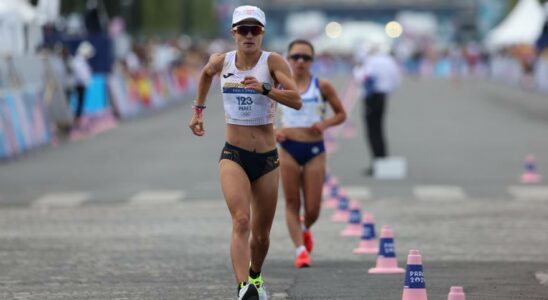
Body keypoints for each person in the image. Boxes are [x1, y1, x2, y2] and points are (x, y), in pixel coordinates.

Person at [188, 5, 301, 300]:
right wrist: (198, 110)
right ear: (233, 33)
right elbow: (205, 75)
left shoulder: (272, 62)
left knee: (261, 236)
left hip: (266, 159)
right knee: (241, 220)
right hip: (234, 154)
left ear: (262, 33)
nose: (249, 35)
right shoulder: (221, 61)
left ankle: (255, 276)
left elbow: (297, 99)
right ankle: (244, 289)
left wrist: (265, 89)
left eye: (255, 30)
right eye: (243, 30)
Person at [277, 39, 346, 268]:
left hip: (314, 149)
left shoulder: (322, 86)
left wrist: (324, 125)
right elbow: (260, 115)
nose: (300, 61)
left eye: (305, 57)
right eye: (296, 56)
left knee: (313, 207)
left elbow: (341, 114)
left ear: (312, 61)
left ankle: (305, 228)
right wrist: (273, 131)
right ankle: (300, 250)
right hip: (288, 148)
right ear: (288, 59)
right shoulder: (278, 85)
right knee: (292, 202)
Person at [353, 47, 401, 176]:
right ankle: (382, 161)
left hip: (371, 96)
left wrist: (357, 68)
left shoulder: (370, 61)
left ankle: (377, 162)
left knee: (372, 131)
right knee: (379, 129)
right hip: (382, 96)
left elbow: (363, 77)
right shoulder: (389, 60)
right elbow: (396, 79)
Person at [70, 41, 95, 129]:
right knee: (79, 103)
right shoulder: (78, 61)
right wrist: (85, 81)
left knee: (80, 103)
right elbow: (81, 75)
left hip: (81, 84)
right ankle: (76, 120)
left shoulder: (81, 60)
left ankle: (77, 119)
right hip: (79, 84)